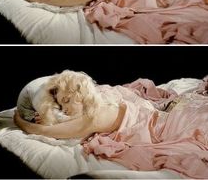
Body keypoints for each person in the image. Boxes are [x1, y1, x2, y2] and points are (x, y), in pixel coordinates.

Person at [14, 70, 208, 178]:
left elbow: (41, 130)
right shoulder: (100, 98)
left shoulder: (101, 112)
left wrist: (21, 121)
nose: (63, 109)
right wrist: (53, 115)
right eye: (60, 105)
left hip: (159, 120)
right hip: (156, 113)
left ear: (79, 94)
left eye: (66, 101)